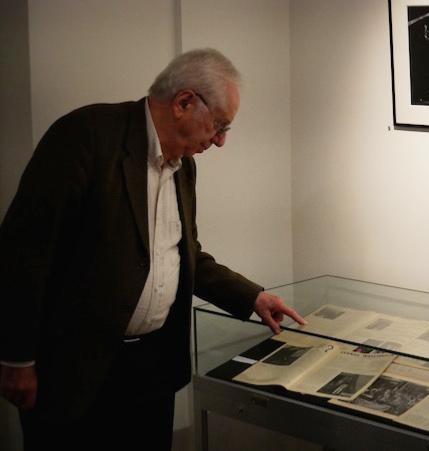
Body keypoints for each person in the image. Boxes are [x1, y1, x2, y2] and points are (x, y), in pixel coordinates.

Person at [0, 48, 306, 451]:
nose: (220, 141)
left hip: (150, 373)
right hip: (76, 373)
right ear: (183, 102)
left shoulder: (184, 167)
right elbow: (24, 252)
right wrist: (16, 359)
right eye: (219, 125)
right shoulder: (86, 137)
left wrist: (252, 296)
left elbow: (185, 254)